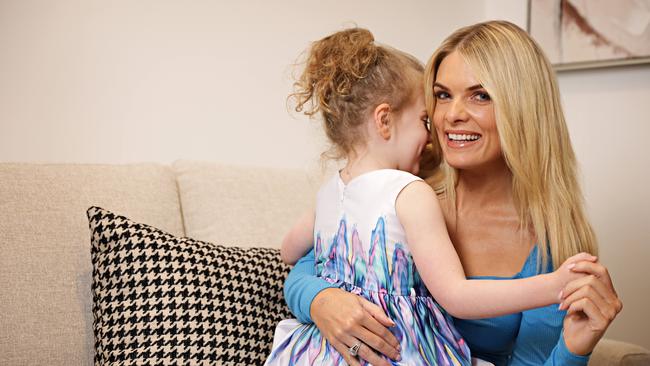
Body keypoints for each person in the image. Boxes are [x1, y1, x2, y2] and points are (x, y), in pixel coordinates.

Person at [281, 21, 623, 366]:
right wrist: (322, 302)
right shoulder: (404, 189)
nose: (452, 115)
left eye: (480, 95)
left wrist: (575, 349)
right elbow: (308, 268)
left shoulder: (552, 246)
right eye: (443, 95)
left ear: (523, 109)